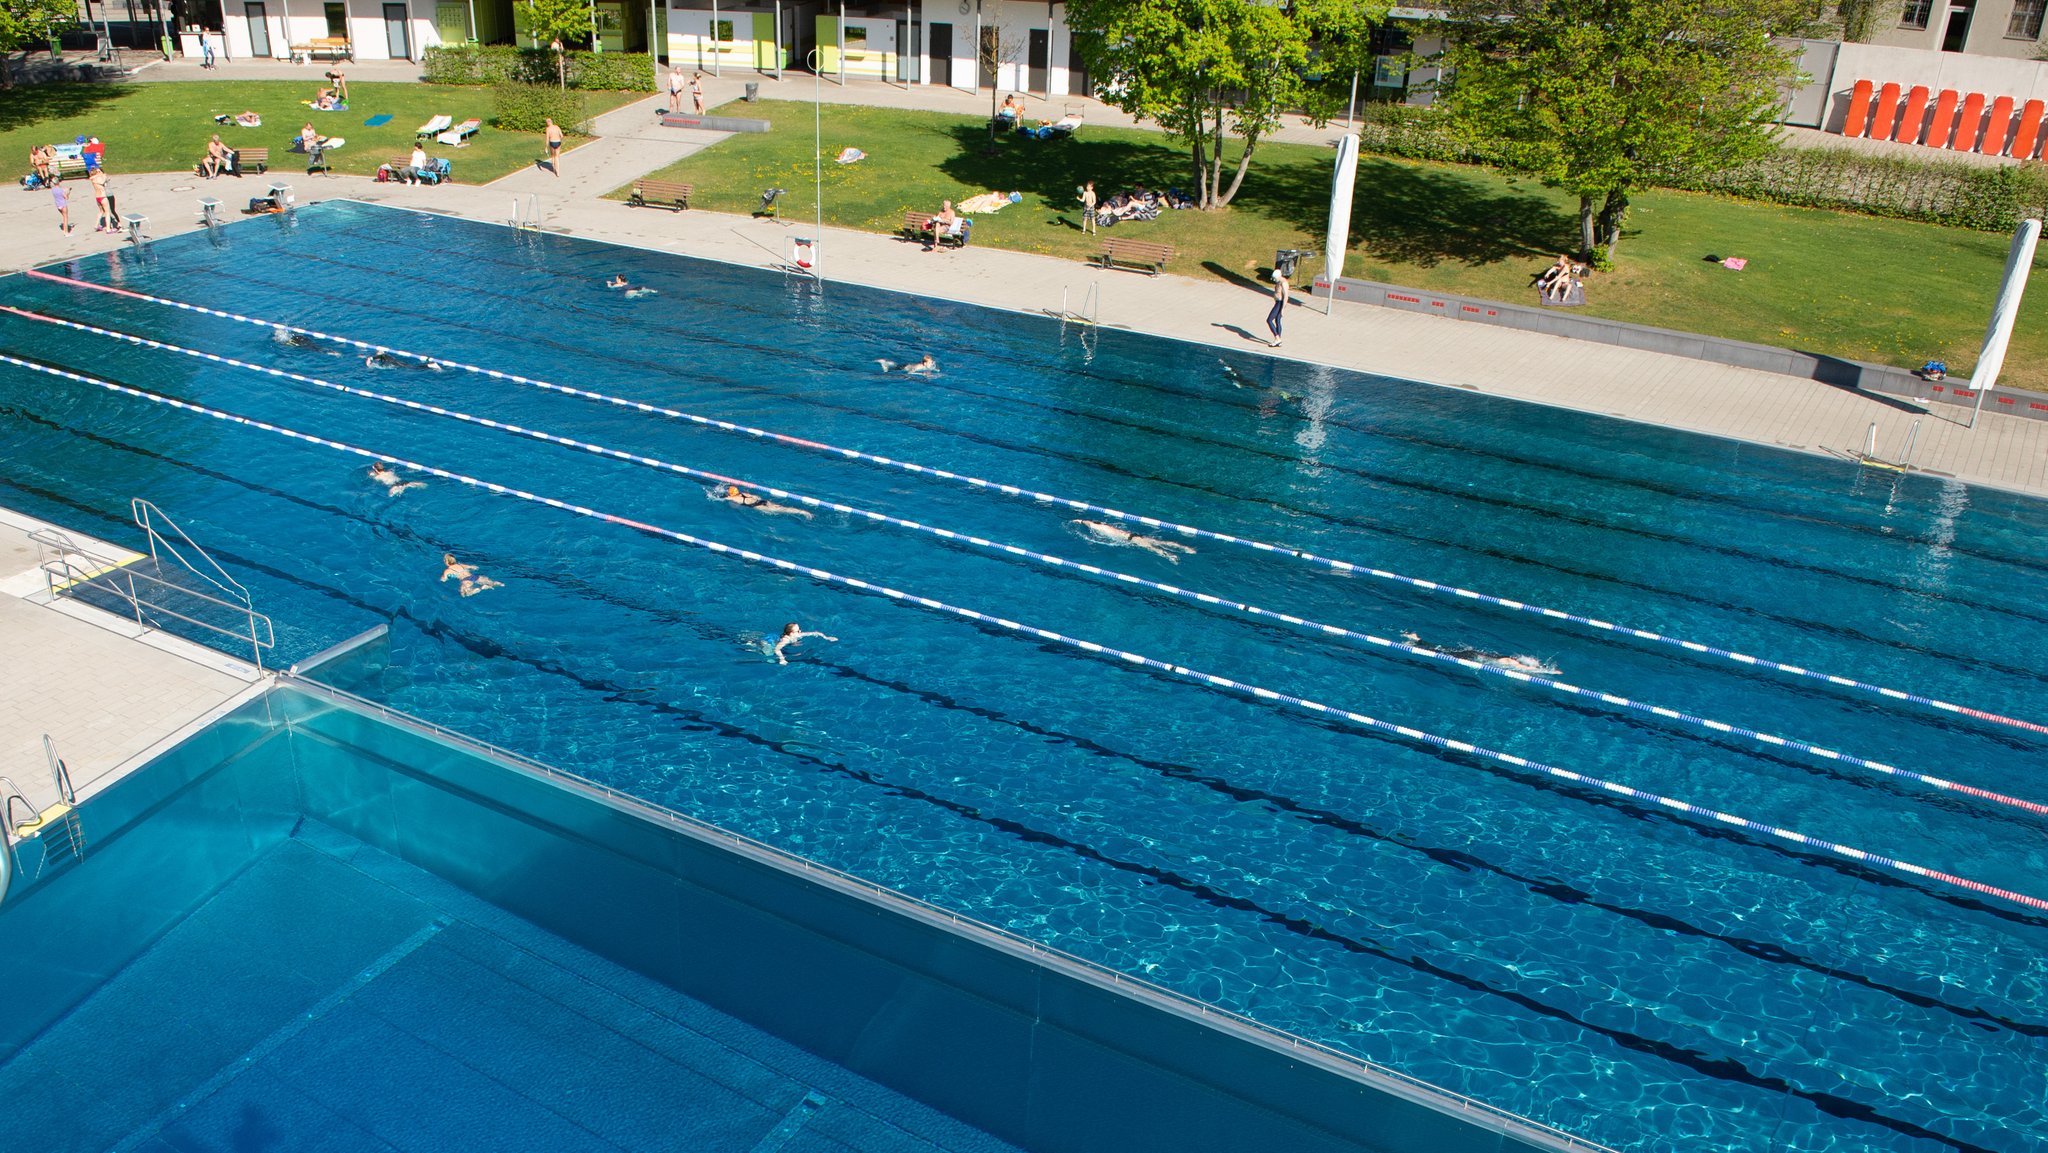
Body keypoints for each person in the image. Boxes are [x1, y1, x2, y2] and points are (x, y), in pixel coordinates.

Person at [1401, 632, 1555, 675]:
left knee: (1444, 650)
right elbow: (1526, 668)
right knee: (1442, 652)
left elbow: (1525, 664)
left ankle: (1418, 640)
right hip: (1472, 656)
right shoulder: (1509, 662)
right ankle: (1416, 642)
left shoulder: (1509, 659)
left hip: (1472, 653)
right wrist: (1546, 671)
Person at [1073, 519, 1195, 564]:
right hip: (1133, 535)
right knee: (1160, 542)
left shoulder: (1097, 527)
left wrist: (1079, 521)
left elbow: (1088, 523)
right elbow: (1089, 522)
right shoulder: (1105, 525)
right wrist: (1081, 520)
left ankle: (1171, 556)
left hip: (1132, 540)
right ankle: (1187, 549)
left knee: (1154, 549)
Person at [721, 484, 813, 519]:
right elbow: (757, 496)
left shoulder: (734, 498)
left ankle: (803, 512)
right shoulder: (744, 493)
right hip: (764, 501)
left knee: (782, 511)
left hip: (759, 506)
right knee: (782, 508)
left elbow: (721, 498)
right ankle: (802, 511)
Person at [771, 621, 837, 665]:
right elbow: (776, 649)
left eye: (799, 629)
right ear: (791, 633)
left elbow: (816, 633)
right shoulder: (785, 640)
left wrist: (826, 638)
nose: (800, 631)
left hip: (789, 642)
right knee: (768, 653)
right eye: (798, 631)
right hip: (771, 640)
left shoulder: (798, 634)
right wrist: (782, 659)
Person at [88, 167, 118, 233]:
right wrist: (103, 175)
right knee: (107, 213)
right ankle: (108, 229)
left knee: (101, 211)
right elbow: (102, 181)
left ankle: (96, 225)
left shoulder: (92, 178)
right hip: (102, 197)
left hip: (97, 197)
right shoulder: (97, 179)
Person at [1265, 266, 1288, 348]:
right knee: (1277, 320)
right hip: (1278, 302)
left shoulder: (1283, 282)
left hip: (1280, 303)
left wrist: (1282, 309)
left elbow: (1286, 296)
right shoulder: (1278, 281)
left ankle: (1277, 338)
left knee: (1269, 320)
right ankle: (1279, 340)